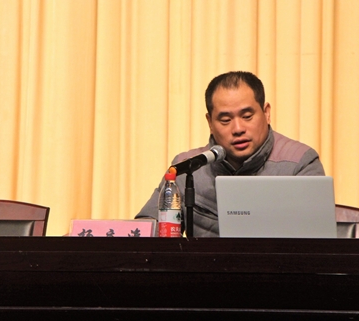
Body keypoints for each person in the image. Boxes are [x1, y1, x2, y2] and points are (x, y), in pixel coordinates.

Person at [135, 71, 325, 236]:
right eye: (225, 120)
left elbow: (319, 243)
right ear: (210, 122)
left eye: (247, 116)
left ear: (266, 113)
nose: (238, 129)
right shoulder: (188, 168)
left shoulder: (299, 163)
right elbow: (146, 229)